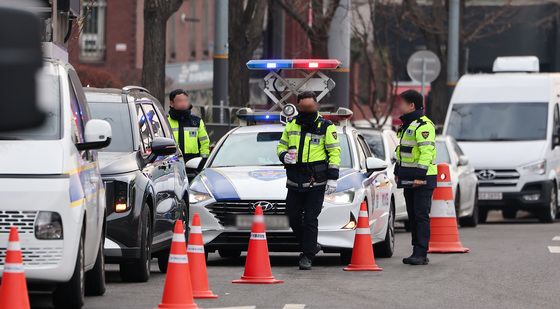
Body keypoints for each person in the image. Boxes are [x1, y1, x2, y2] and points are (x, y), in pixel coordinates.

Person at [277, 91, 341, 270]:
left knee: (311, 219)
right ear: (298, 106)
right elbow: (281, 145)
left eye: (310, 107)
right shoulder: (291, 126)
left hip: (316, 181)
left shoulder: (326, 127)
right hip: (294, 179)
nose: (307, 110)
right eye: (304, 108)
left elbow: (334, 153)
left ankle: (307, 256)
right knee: (291, 217)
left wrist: (332, 178)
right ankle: (311, 246)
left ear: (316, 106)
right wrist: (283, 156)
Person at [394, 89, 437, 266]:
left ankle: (421, 252)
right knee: (412, 215)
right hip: (408, 176)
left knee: (421, 215)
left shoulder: (423, 125)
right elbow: (402, 152)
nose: (399, 106)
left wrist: (420, 176)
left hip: (423, 178)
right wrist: (398, 171)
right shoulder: (407, 125)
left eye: (401, 103)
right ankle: (416, 251)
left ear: (411, 105)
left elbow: (427, 153)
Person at [167, 89, 210, 168]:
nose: (183, 103)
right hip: (171, 163)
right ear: (172, 103)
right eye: (180, 101)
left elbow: (205, 143)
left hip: (194, 163)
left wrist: (203, 161)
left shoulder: (197, 121)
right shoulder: (166, 122)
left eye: (185, 101)